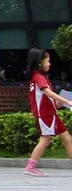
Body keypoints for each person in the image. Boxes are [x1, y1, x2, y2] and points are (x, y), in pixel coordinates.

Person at [23, 48, 72, 177]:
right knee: (45, 140)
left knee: (67, 137)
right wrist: (67, 101)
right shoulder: (38, 77)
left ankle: (31, 167)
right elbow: (48, 92)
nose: (49, 64)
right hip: (45, 115)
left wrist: (58, 104)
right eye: (48, 61)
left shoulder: (41, 77)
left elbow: (46, 97)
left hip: (50, 113)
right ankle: (30, 167)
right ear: (40, 62)